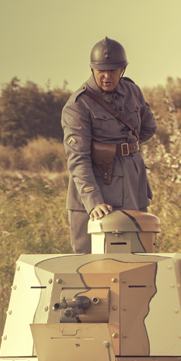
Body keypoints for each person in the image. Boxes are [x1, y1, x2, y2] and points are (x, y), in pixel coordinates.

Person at [61, 36, 157, 254]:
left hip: (132, 187)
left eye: (113, 70)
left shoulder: (133, 91)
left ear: (122, 69)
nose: (106, 76)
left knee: (136, 261)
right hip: (96, 194)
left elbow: (149, 127)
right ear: (92, 69)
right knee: (90, 267)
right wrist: (94, 201)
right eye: (101, 70)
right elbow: (78, 158)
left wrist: (125, 150)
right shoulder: (78, 105)